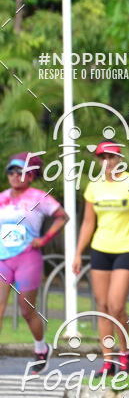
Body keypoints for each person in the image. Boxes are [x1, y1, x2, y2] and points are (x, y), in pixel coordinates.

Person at [73, 141, 129, 375]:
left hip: (127, 248)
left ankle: (125, 352)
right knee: (103, 307)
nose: (108, 162)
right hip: (100, 249)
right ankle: (108, 361)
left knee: (117, 306)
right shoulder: (94, 186)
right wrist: (78, 252)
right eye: (103, 158)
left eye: (112, 157)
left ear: (120, 159)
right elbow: (88, 222)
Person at [0, 152, 67, 372]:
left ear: (30, 176)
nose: (15, 175)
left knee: (26, 310)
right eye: (12, 171)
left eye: (21, 172)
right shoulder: (2, 198)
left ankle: (41, 348)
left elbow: (62, 216)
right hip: (3, 258)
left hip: (27, 257)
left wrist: (44, 239)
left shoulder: (39, 196)